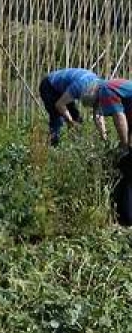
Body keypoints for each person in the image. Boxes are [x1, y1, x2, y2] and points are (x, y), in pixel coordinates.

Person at [90, 78, 132, 225]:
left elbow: (119, 117)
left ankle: (127, 218)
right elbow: (98, 115)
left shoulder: (106, 90)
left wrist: (125, 146)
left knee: (127, 167)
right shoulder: (110, 87)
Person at [38, 67, 103, 146]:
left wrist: (103, 136)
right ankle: (53, 146)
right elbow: (59, 105)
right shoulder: (78, 87)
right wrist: (70, 122)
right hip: (49, 85)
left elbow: (98, 115)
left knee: (76, 117)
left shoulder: (99, 87)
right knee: (57, 119)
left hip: (64, 88)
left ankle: (77, 145)